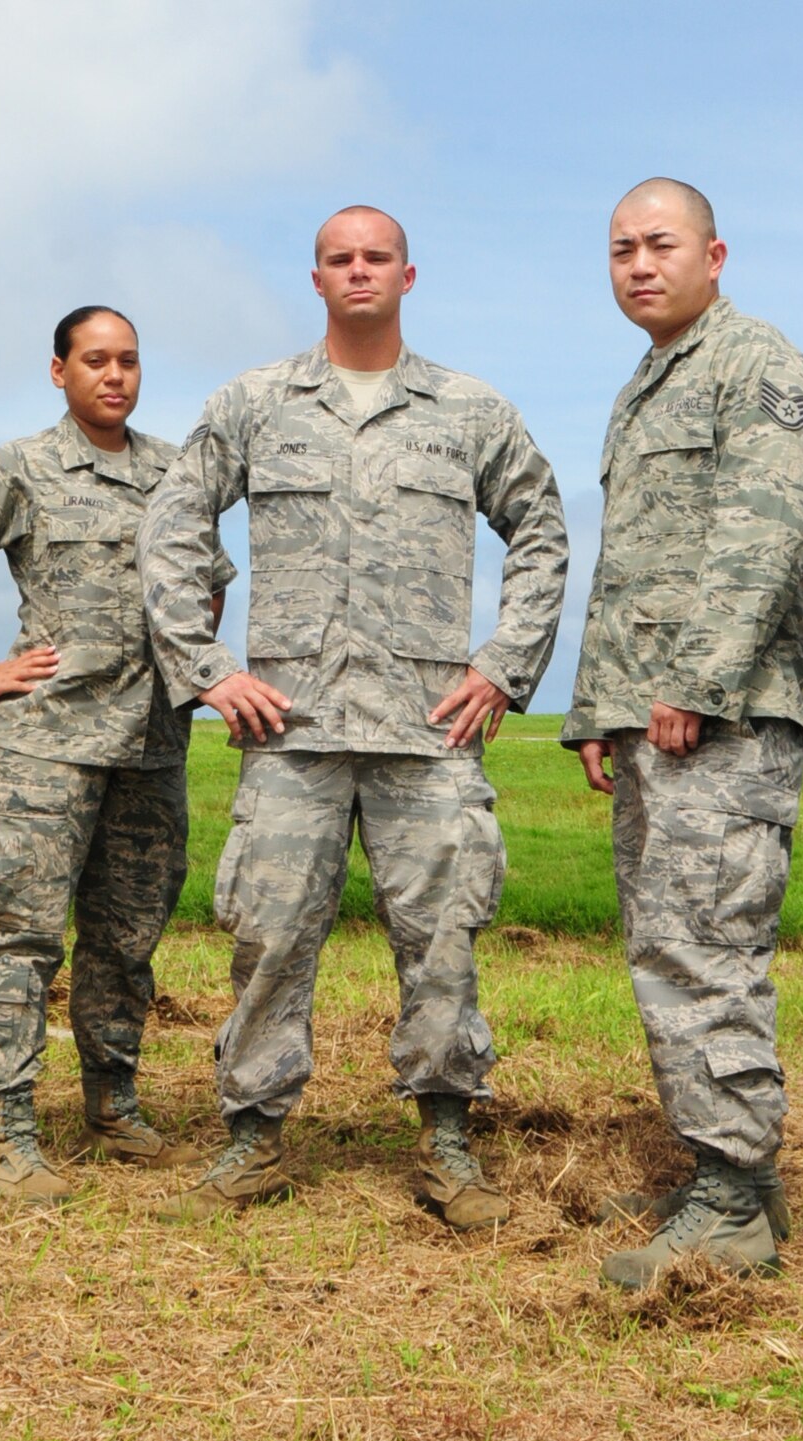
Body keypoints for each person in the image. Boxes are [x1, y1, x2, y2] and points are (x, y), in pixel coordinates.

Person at [138, 205, 568, 1229]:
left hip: (429, 728)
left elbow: (541, 528)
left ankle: (446, 1138)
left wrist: (503, 667)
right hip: (291, 725)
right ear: (317, 277)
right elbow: (171, 521)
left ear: (407, 276)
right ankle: (254, 1136)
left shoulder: (467, 410)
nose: (359, 271)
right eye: (341, 259)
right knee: (270, 935)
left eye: (377, 257)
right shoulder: (254, 403)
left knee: (443, 940)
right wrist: (205, 667)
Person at [0, 307, 231, 1203]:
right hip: (47, 747)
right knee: (26, 937)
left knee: (126, 940)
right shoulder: (21, 468)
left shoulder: (174, 474)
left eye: (127, 361)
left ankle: (111, 1100)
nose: (113, 376)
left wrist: (183, 674)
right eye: (94, 361)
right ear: (59, 371)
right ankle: (8, 1125)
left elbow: (209, 588)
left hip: (151, 750)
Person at [562, 178, 803, 1290]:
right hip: (654, 721)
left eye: (658, 243)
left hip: (718, 724)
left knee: (706, 947)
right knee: (667, 941)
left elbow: (759, 536)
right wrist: (597, 709)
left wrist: (698, 681)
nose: (636, 263)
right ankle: (725, 1174)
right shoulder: (641, 386)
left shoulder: (752, 361)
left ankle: (732, 1200)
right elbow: (627, 568)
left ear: (715, 253)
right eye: (619, 248)